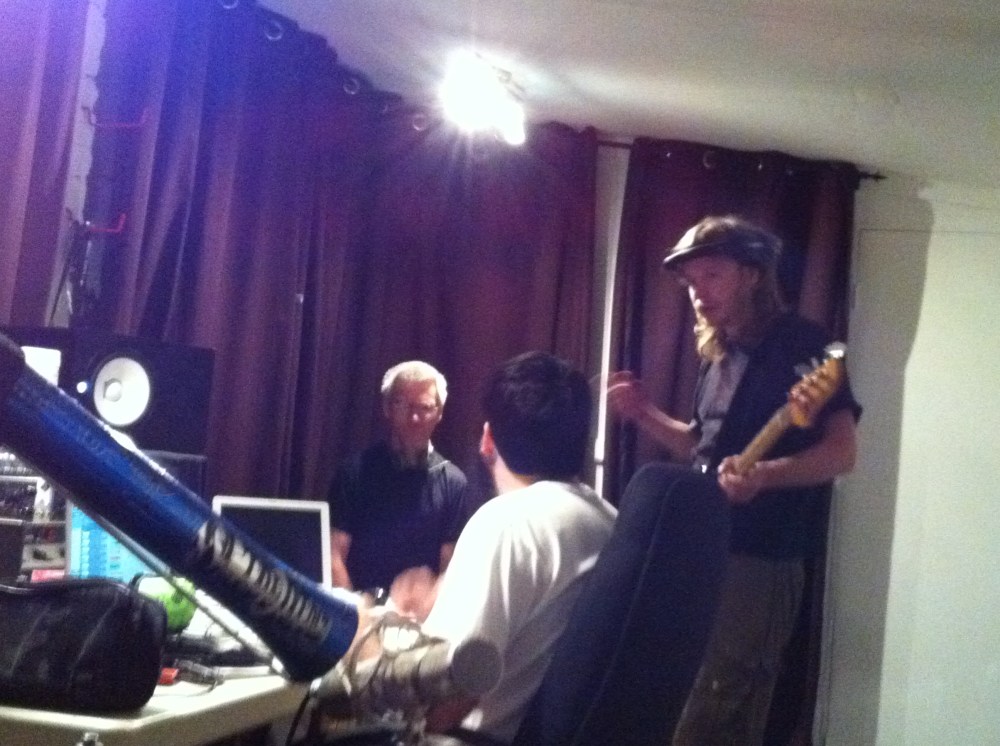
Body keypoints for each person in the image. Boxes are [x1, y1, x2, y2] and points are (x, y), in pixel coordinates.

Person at [606, 215, 861, 746]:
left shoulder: (804, 345)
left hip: (762, 557)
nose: (698, 294)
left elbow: (841, 452)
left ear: (751, 274)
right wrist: (644, 413)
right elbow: (704, 448)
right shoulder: (717, 353)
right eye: (691, 282)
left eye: (712, 276)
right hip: (705, 544)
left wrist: (764, 476)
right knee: (685, 690)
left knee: (724, 703)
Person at [391, 351, 618, 743]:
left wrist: (376, 634)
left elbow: (442, 702)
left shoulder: (508, 523)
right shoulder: (612, 521)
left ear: (487, 439)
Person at [327, 360, 469, 594]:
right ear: (387, 408)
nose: (414, 418)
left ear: (439, 413)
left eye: (425, 407)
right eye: (403, 405)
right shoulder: (352, 473)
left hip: (423, 614)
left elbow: (449, 570)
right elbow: (333, 556)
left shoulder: (454, 483)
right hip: (360, 606)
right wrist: (358, 611)